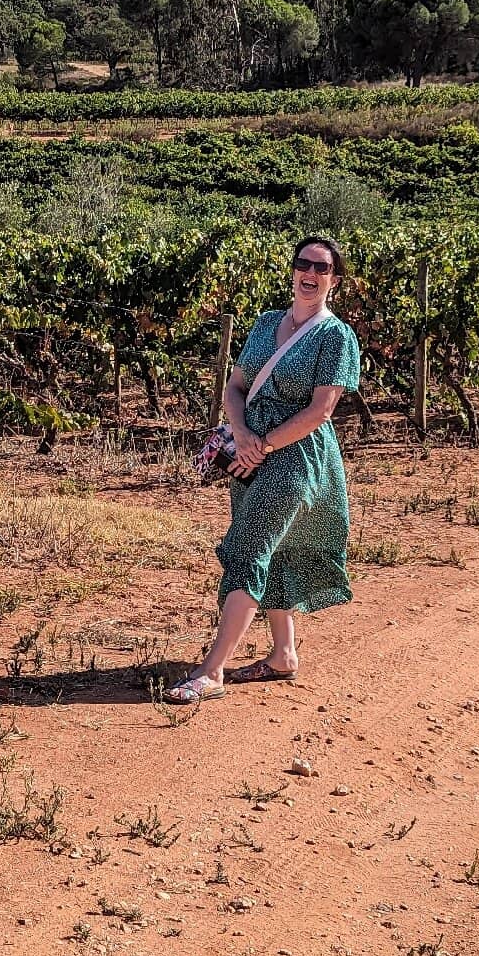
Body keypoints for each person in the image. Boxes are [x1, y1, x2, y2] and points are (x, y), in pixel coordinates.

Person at [168, 236, 361, 703]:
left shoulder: (336, 337)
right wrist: (242, 433)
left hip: (295, 458)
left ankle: (212, 671)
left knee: (249, 547)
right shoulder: (265, 323)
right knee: (276, 550)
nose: (310, 274)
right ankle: (283, 655)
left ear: (334, 280)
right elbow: (235, 386)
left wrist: (265, 445)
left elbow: (321, 411)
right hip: (248, 454)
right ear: (293, 270)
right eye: (303, 264)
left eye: (321, 268)